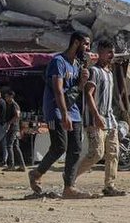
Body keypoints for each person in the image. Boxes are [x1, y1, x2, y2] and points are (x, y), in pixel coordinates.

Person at [30, 32, 92, 199]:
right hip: (56, 109)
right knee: (60, 146)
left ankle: (69, 187)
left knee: (76, 149)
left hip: (73, 110)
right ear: (76, 42)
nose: (88, 48)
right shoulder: (59, 62)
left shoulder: (77, 65)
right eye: (85, 44)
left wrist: (82, 82)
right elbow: (58, 91)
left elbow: (75, 90)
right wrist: (64, 114)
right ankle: (37, 173)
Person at [74, 39, 125, 196]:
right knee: (96, 153)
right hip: (95, 119)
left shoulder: (109, 72)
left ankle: (109, 185)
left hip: (110, 120)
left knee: (113, 153)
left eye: (112, 51)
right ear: (100, 53)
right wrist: (96, 116)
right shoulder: (94, 71)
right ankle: (71, 177)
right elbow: (89, 94)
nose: (111, 55)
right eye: (108, 52)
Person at [0, 89, 25, 171]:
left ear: (11, 96)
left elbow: (17, 116)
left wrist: (9, 123)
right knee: (16, 146)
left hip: (14, 128)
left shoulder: (14, 105)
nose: (5, 98)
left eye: (7, 96)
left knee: (9, 145)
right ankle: (22, 165)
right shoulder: (8, 104)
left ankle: (11, 165)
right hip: (13, 128)